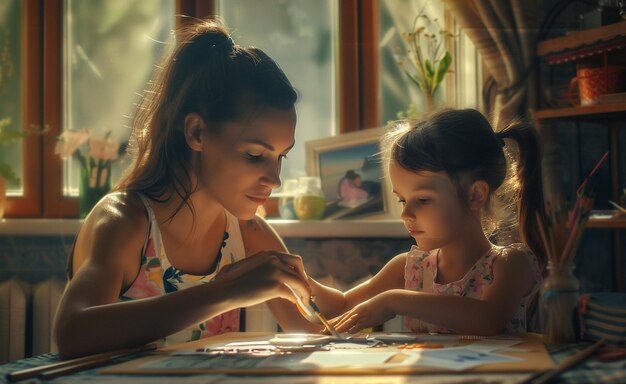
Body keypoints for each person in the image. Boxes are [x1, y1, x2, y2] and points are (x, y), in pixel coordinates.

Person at [53, 19, 315, 359]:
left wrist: (393, 287)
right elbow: (72, 333)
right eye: (255, 155)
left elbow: (318, 320)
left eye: (281, 157)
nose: (274, 179)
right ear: (196, 133)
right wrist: (225, 293)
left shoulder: (246, 232)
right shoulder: (125, 221)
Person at [308, 108, 546, 336]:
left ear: (475, 195)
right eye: (402, 200)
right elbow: (342, 305)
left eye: (422, 200)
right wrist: (301, 284)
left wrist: (395, 301)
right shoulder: (410, 268)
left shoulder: (511, 264)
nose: (406, 214)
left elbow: (488, 319)